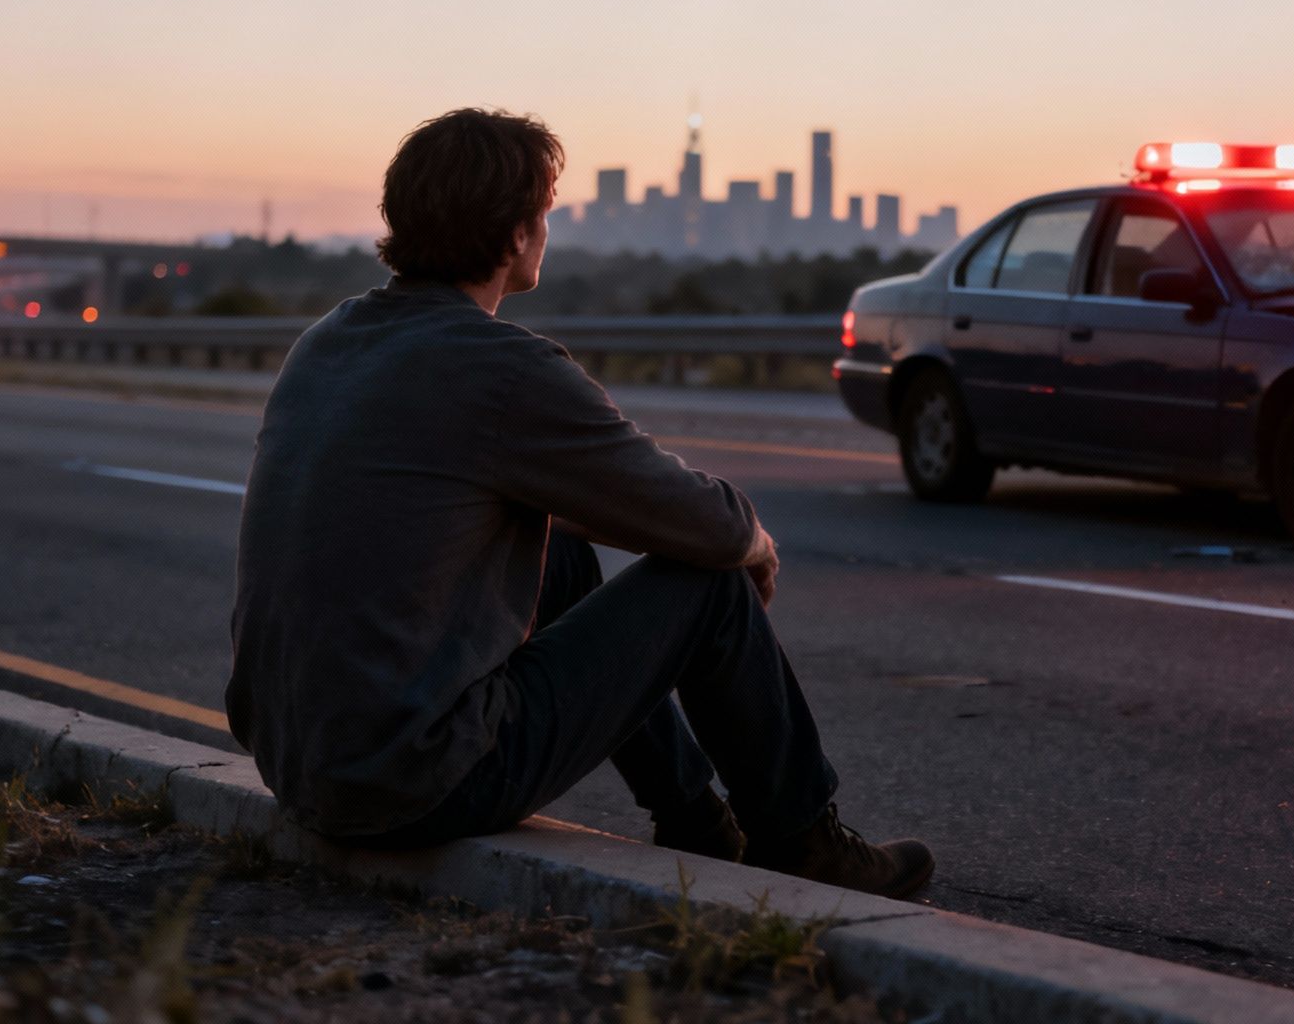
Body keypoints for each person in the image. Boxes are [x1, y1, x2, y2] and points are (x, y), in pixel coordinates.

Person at [225, 108, 932, 898]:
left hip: (300, 765)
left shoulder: (327, 339)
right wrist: (752, 546)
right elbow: (703, 522)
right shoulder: (498, 368)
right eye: (546, 213)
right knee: (708, 587)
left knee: (557, 557)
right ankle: (804, 839)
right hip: (412, 782)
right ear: (518, 234)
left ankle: (697, 822)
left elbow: (531, 502)